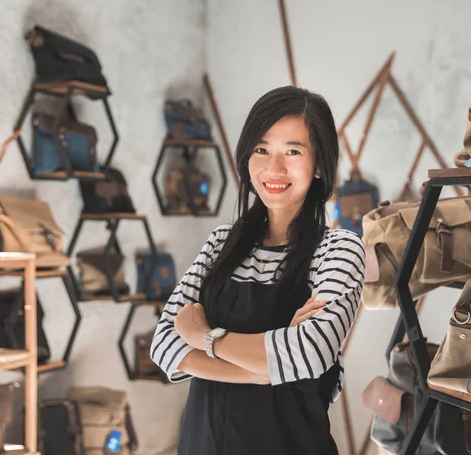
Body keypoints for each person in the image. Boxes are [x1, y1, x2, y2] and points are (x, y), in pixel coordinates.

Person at [150, 86, 365, 455]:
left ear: (318, 165)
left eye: (293, 151)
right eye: (261, 149)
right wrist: (268, 369)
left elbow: (310, 352)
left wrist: (203, 336)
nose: (273, 168)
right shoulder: (221, 243)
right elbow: (165, 345)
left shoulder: (338, 250)